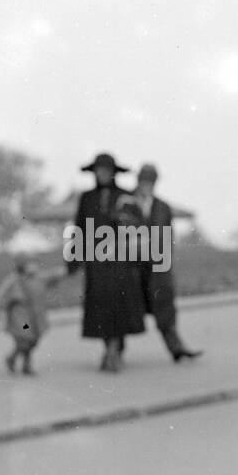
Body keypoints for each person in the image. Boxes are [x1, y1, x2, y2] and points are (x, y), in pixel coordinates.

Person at [66, 152, 148, 372]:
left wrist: (121, 218)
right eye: (99, 171)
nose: (102, 174)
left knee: (119, 304)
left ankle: (115, 349)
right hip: (97, 262)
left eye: (107, 171)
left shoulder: (125, 196)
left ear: (113, 173)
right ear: (94, 173)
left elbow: (138, 226)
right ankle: (110, 348)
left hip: (120, 260)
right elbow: (79, 229)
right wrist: (74, 260)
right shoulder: (87, 198)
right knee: (101, 306)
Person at [131, 163, 202, 362]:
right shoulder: (126, 202)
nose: (146, 185)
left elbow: (167, 238)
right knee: (126, 309)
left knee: (164, 308)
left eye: (150, 182)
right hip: (132, 267)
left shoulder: (162, 207)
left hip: (156, 267)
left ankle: (177, 350)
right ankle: (114, 352)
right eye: (143, 181)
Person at [0, 257, 64, 375]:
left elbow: (55, 276)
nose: (33, 267)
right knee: (26, 338)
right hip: (20, 318)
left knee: (32, 339)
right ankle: (21, 362)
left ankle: (18, 361)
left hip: (34, 317)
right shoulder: (14, 280)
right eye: (29, 265)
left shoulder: (38, 278)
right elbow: (1, 296)